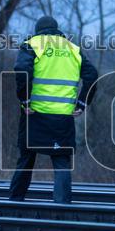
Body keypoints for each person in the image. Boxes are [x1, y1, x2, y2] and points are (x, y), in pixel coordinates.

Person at [9, 15, 98, 204]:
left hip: (35, 113)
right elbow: (92, 75)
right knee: (61, 162)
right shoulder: (73, 49)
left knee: (26, 159)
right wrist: (82, 103)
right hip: (62, 117)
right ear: (57, 30)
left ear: (38, 31)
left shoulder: (32, 44)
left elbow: (21, 69)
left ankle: (15, 202)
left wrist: (24, 100)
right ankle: (62, 207)